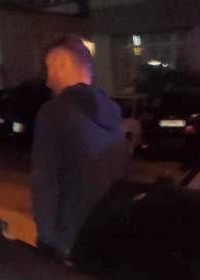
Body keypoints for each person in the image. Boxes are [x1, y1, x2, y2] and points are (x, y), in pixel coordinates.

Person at [31, 35, 129, 258]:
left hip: (69, 242)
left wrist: (46, 241)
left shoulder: (54, 113)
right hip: (108, 237)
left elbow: (45, 182)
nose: (47, 81)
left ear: (61, 64)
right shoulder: (113, 114)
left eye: (49, 68)